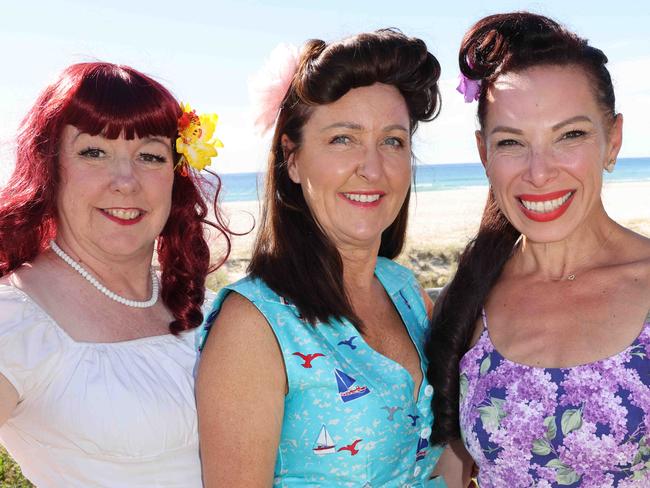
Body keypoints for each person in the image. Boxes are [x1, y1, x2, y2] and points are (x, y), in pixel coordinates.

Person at [196, 29, 462, 487]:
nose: (372, 167)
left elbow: (440, 461)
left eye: (393, 141)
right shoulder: (256, 326)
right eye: (343, 139)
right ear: (292, 158)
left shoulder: (406, 292)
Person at [426, 12, 650, 487]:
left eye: (570, 135)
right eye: (511, 142)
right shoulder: (465, 301)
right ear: (484, 154)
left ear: (613, 141)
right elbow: (447, 471)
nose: (539, 172)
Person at [0, 62, 229, 487]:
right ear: (49, 168)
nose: (126, 181)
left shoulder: (208, 309)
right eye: (94, 152)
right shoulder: (15, 318)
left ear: (174, 178)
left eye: (150, 156)